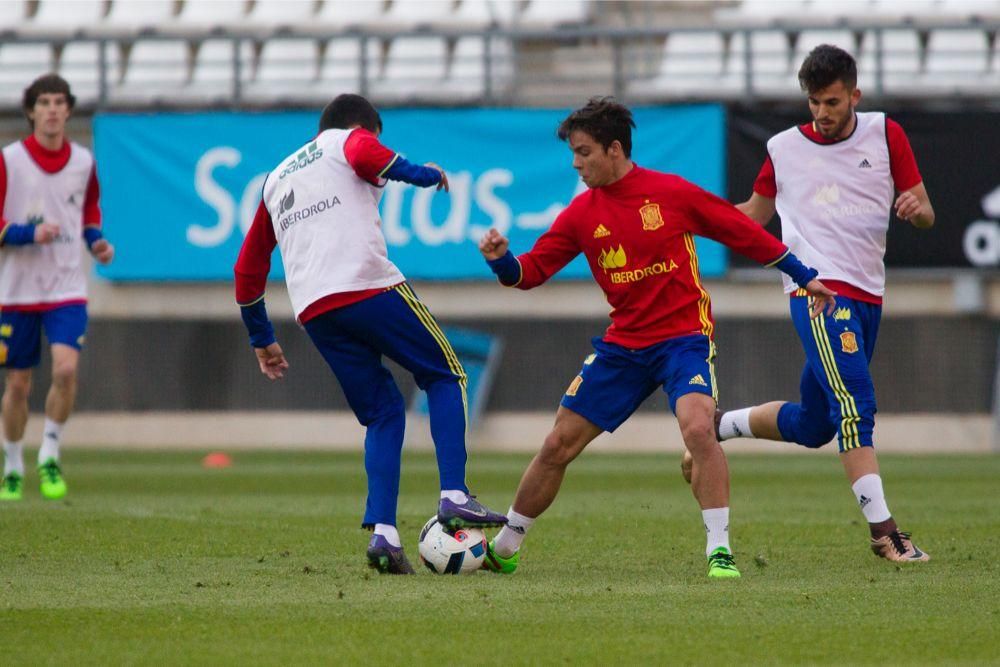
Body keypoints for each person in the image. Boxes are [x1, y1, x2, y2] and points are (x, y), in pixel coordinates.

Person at [478, 97, 836, 579]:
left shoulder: (670, 193)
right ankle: (505, 546)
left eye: (584, 152)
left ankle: (719, 550)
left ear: (615, 149)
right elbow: (531, 272)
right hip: (624, 346)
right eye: (573, 154)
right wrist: (502, 259)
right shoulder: (581, 214)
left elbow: (741, 232)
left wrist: (803, 273)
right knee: (558, 444)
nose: (576, 163)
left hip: (683, 338)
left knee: (697, 427)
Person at [234, 94, 506, 575]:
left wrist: (260, 336)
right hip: (365, 286)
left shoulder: (275, 179)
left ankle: (384, 532)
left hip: (315, 310)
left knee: (382, 412)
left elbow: (247, 266)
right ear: (364, 126)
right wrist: (424, 173)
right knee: (446, 375)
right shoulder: (348, 141)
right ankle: (454, 496)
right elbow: (364, 153)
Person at [686, 45, 934, 562]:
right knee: (855, 405)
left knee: (817, 424)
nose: (820, 113)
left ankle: (717, 427)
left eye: (831, 102)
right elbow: (753, 214)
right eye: (813, 102)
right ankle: (884, 532)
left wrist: (917, 210)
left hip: (870, 294)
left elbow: (926, 210)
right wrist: (689, 219)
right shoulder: (783, 148)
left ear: (854, 97)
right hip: (819, 292)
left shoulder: (887, 135)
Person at [0, 74, 114, 502]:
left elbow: (87, 211)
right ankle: (12, 464)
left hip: (66, 286)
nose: (51, 109)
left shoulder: (84, 162)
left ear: (68, 110)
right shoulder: (9, 160)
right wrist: (28, 235)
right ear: (31, 111)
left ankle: (49, 452)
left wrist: (95, 241)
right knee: (17, 384)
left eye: (59, 102)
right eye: (43, 102)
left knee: (66, 370)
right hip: (17, 291)